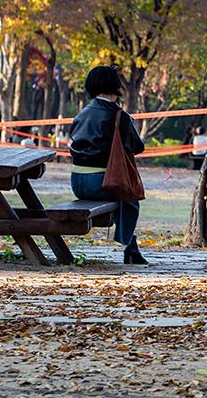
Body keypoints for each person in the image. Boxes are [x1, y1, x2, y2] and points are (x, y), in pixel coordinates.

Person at [69, 65, 148, 265]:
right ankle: (128, 245)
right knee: (129, 197)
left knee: (123, 197)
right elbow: (137, 147)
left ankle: (132, 247)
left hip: (77, 182)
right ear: (116, 86)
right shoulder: (119, 116)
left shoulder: (81, 114)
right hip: (102, 182)